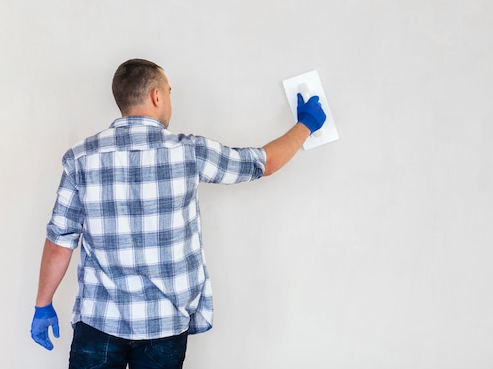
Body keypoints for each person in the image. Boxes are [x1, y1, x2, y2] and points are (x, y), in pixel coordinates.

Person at [30, 58, 326, 368]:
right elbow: (262, 163)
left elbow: (60, 240)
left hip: (99, 321)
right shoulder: (190, 152)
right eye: (169, 91)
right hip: (165, 324)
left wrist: (43, 304)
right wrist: (305, 125)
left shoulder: (80, 158)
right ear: (157, 96)